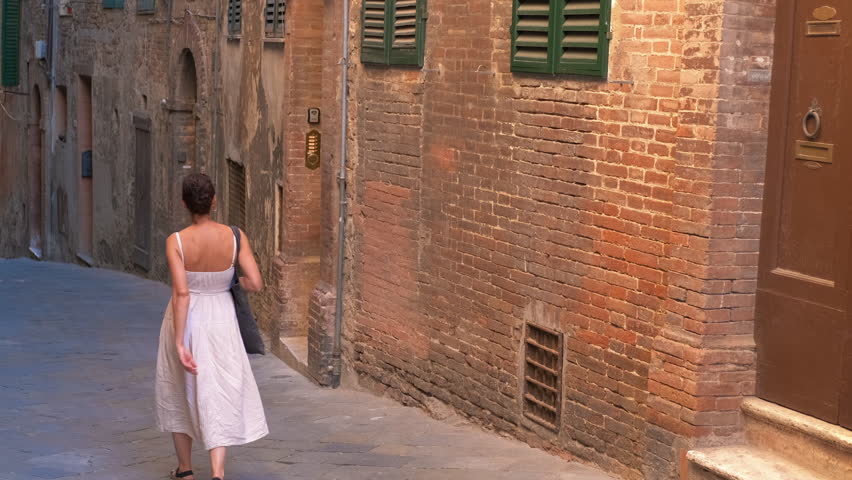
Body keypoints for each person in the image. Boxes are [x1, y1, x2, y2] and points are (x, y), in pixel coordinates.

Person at [154, 173, 268, 480]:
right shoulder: (235, 236)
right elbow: (255, 283)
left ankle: (186, 471)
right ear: (214, 200)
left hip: (187, 320)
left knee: (179, 389)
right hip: (222, 318)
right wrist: (230, 282)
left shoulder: (176, 241)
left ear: (184, 204)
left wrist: (180, 343)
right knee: (217, 389)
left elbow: (182, 293)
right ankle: (217, 473)